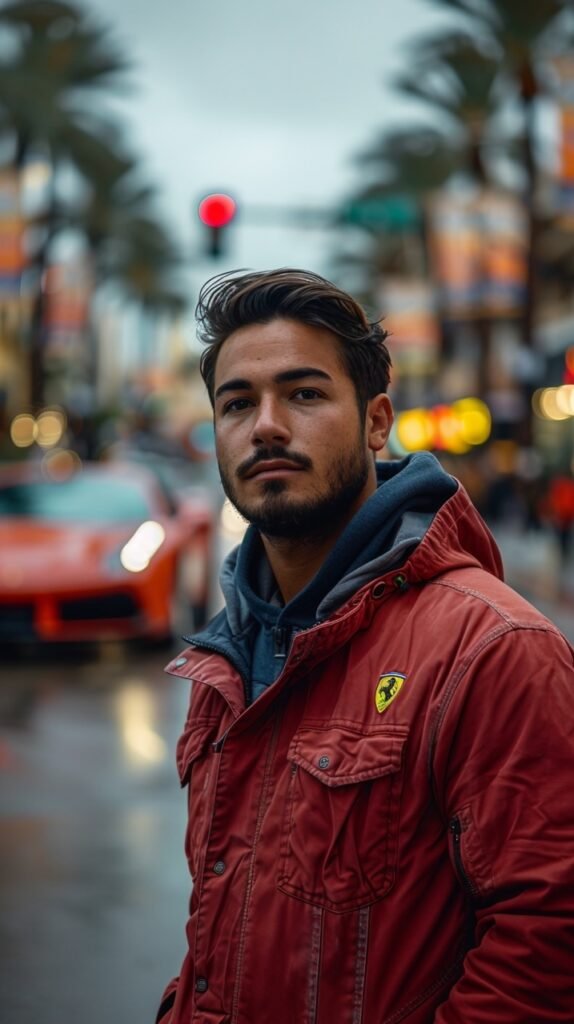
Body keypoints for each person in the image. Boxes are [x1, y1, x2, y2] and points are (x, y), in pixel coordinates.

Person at [157, 269, 574, 1024]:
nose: (267, 426)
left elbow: (547, 949)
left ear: (377, 422)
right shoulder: (227, 656)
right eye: (237, 402)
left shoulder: (494, 649)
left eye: (305, 394)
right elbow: (222, 929)